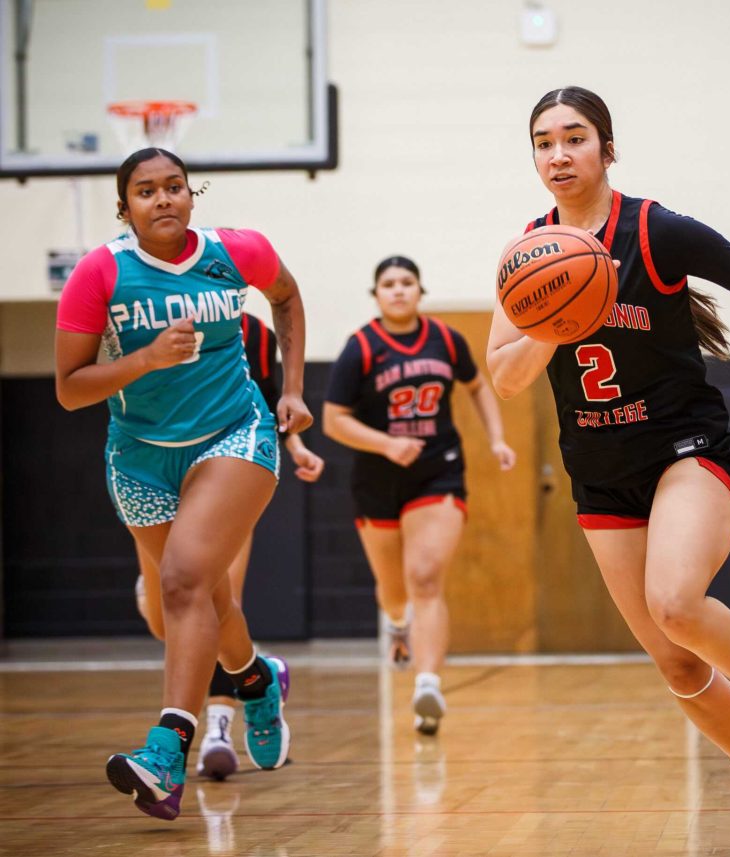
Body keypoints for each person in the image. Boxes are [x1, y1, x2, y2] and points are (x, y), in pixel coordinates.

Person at [486, 86, 730, 854]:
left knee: (674, 600)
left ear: (606, 147)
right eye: (543, 142)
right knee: (675, 664)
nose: (558, 154)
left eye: (574, 138)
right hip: (600, 469)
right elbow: (503, 376)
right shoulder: (529, 252)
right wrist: (552, 319)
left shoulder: (655, 230)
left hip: (683, 447)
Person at [55, 147, 311, 820]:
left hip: (234, 435)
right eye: (146, 191)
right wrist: (144, 357)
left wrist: (292, 390)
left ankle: (165, 752)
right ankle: (258, 679)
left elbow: (287, 297)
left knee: (181, 583)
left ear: (191, 195)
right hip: (139, 457)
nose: (163, 198)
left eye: (174, 186)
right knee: (210, 602)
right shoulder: (98, 274)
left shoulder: (239, 252)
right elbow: (69, 390)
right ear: (125, 206)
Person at [323, 255, 516, 735]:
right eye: (388, 283)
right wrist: (387, 443)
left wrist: (496, 438)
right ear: (377, 295)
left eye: (407, 282)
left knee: (425, 577)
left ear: (419, 290)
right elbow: (333, 421)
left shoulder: (447, 340)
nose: (398, 290)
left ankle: (427, 683)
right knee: (394, 590)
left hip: (438, 473)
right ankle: (396, 620)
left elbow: (478, 388)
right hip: (377, 477)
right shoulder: (361, 348)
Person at [133, 312, 325, 780]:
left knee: (218, 601)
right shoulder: (139, 314)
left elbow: (261, 395)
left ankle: (217, 728)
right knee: (167, 621)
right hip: (156, 471)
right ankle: (259, 674)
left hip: (226, 469)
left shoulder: (254, 331)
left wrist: (294, 445)